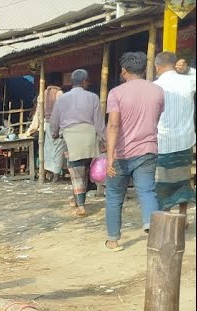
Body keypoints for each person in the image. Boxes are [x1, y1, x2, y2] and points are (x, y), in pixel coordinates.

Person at [104, 51, 164, 252]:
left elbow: (113, 125)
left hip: (121, 153)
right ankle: (151, 227)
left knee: (114, 195)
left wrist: (109, 156)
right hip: (148, 149)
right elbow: (157, 116)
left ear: (124, 71)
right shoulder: (157, 91)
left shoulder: (116, 93)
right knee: (147, 191)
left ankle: (113, 240)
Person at [49, 69, 105, 216]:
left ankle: (81, 206)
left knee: (76, 172)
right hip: (89, 137)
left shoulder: (61, 99)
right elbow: (99, 123)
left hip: (70, 138)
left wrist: (54, 134)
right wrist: (105, 138)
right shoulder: (93, 97)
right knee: (85, 171)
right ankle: (76, 199)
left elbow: (54, 121)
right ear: (85, 81)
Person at [153, 51, 196, 216]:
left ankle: (166, 216)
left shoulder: (155, 85)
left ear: (157, 66)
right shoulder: (188, 80)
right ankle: (183, 216)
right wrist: (188, 70)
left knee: (162, 184)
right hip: (185, 141)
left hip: (162, 142)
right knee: (183, 181)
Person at [42, 72, 68, 181]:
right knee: (59, 148)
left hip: (47, 123)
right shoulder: (59, 93)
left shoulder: (43, 92)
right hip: (58, 123)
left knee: (49, 149)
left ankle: (49, 171)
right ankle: (57, 174)